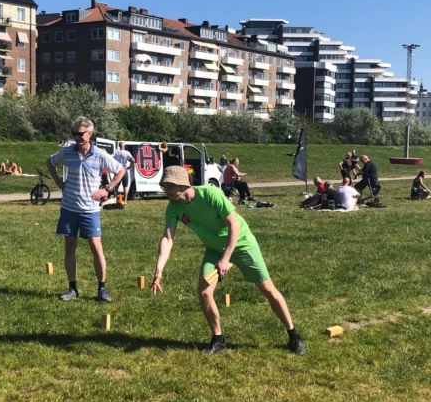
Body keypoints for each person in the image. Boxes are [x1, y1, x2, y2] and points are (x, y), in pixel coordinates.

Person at [150, 165, 305, 356]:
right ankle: (218, 340)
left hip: (241, 242)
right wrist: (159, 270)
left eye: (169, 186)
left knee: (268, 290)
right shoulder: (174, 208)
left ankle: (293, 334)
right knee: (204, 292)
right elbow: (168, 237)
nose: (166, 190)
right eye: (164, 186)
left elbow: (233, 225)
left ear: (182, 184)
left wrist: (226, 259)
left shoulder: (210, 194)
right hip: (214, 249)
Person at [47, 116, 126, 302]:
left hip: (90, 210)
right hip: (69, 208)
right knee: (69, 248)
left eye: (80, 134)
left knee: (96, 248)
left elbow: (120, 170)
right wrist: (59, 182)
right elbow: (50, 162)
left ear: (89, 134)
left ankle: (102, 289)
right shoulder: (67, 152)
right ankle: (72, 288)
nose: (77, 137)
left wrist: (107, 189)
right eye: (74, 134)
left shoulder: (99, 154)